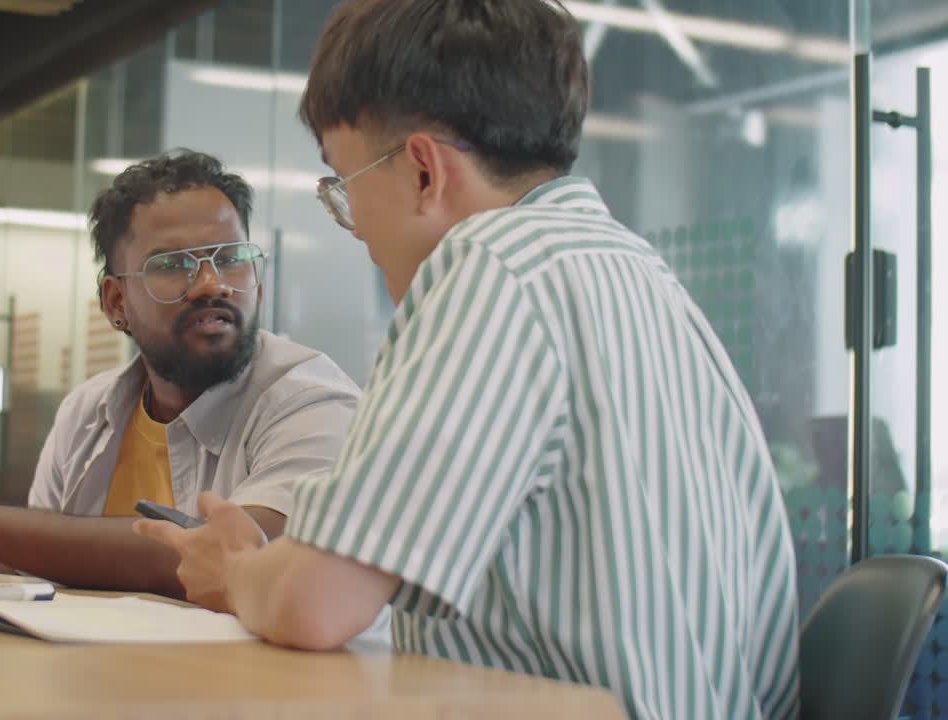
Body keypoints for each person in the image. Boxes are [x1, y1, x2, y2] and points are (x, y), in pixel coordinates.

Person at [133, 2, 800, 718]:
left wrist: (232, 573)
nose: (354, 230)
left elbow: (315, 602)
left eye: (345, 188)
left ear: (423, 171)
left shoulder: (488, 266)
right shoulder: (640, 273)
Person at [0, 150, 360, 597]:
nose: (213, 284)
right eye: (173, 265)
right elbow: (41, 568)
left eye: (231, 257)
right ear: (116, 302)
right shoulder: (90, 409)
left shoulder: (308, 400)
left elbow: (234, 555)